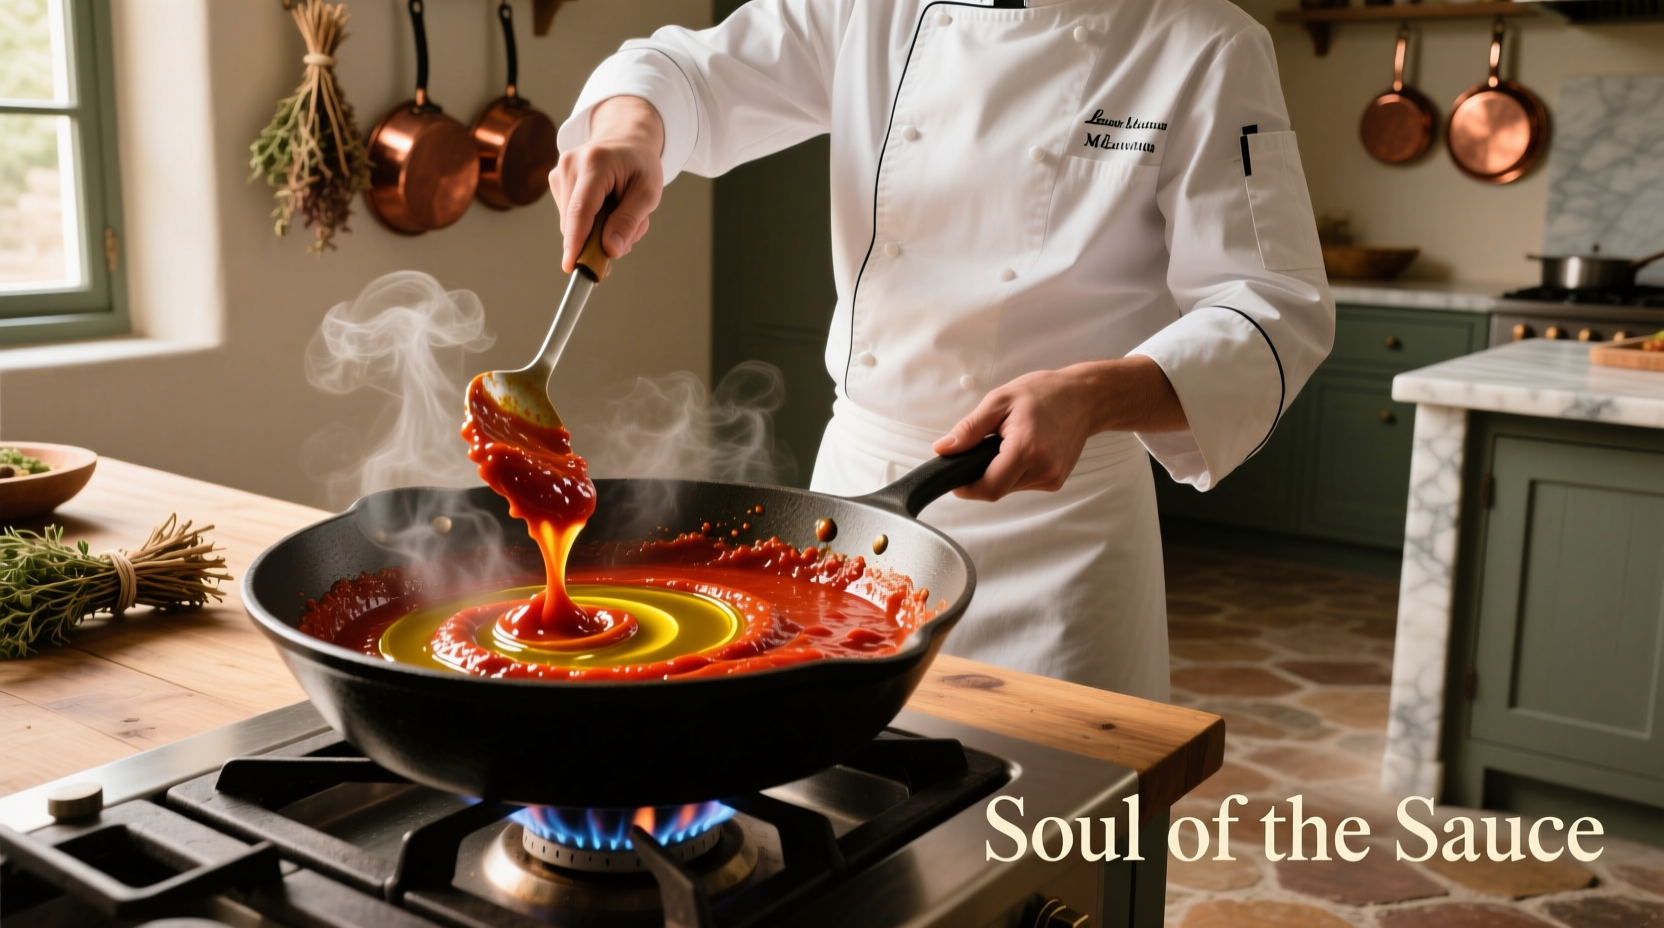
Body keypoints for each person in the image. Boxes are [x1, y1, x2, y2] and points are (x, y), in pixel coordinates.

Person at [551, 0, 1334, 702]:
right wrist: (630, 133)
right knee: (837, 805)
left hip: (1061, 538)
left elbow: (1271, 304)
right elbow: (688, 68)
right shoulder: (870, 9)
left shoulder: (1204, 41)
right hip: (856, 513)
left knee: (1048, 839)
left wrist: (1096, 393)